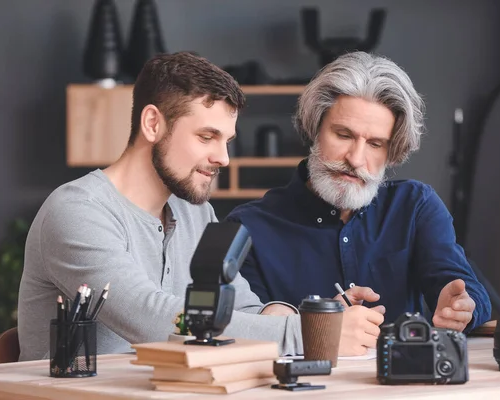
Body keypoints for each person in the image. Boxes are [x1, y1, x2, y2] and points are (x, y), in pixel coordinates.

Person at [18, 52, 310, 361]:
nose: (223, 158)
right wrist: (305, 333)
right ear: (153, 123)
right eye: (207, 136)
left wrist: (295, 316)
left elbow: (239, 307)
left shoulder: (195, 212)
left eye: (226, 140)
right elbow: (151, 320)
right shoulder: (77, 211)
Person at [226, 51, 491, 355]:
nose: (355, 159)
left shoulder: (416, 207)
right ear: (315, 129)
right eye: (343, 135)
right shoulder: (248, 229)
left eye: (375, 144)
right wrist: (317, 327)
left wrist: (460, 306)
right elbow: (244, 335)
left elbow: (469, 293)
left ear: (391, 153)